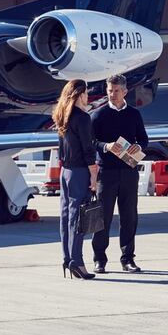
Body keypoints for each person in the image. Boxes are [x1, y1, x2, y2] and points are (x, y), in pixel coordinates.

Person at [91, 74, 148, 273]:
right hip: (106, 173)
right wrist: (105, 146)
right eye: (109, 91)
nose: (112, 95)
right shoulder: (98, 115)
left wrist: (137, 148)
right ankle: (99, 258)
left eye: (116, 91)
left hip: (129, 171)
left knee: (129, 216)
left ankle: (127, 259)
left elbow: (143, 139)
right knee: (103, 217)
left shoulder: (134, 114)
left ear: (125, 92)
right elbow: (91, 142)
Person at [53, 79, 99, 280]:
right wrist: (94, 174)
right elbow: (88, 150)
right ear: (79, 94)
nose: (88, 97)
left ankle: (67, 258)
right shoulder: (82, 118)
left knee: (66, 217)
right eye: (86, 93)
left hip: (66, 171)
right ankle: (77, 262)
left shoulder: (62, 115)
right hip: (80, 171)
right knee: (79, 217)